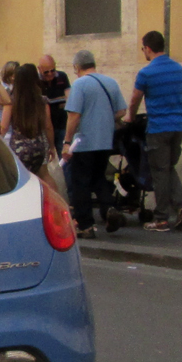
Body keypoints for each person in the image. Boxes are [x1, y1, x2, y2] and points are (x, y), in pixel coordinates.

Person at [126, 30, 182, 232]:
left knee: (159, 172)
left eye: (143, 49)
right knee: (168, 167)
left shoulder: (146, 73)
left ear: (147, 48)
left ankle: (162, 217)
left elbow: (136, 98)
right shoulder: (178, 69)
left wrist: (130, 116)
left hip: (158, 128)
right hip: (178, 125)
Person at [61, 50, 127, 239]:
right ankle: (109, 208)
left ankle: (85, 225)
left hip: (84, 141)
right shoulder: (111, 82)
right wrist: (104, 119)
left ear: (76, 67)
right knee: (98, 177)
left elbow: (74, 115)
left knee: (80, 182)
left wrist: (67, 142)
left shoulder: (80, 84)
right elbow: (122, 111)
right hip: (105, 141)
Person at [0, 63, 56, 184]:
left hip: (20, 147)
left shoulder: (11, 101)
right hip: (39, 145)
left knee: (20, 180)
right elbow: (48, 126)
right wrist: (51, 147)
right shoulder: (42, 100)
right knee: (45, 176)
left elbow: (3, 127)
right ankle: (57, 201)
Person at [38, 54, 71, 156]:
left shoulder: (62, 76)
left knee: (64, 157)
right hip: (44, 128)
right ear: (39, 69)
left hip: (62, 125)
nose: (50, 74)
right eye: (46, 72)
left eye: (53, 70)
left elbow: (69, 98)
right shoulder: (36, 81)